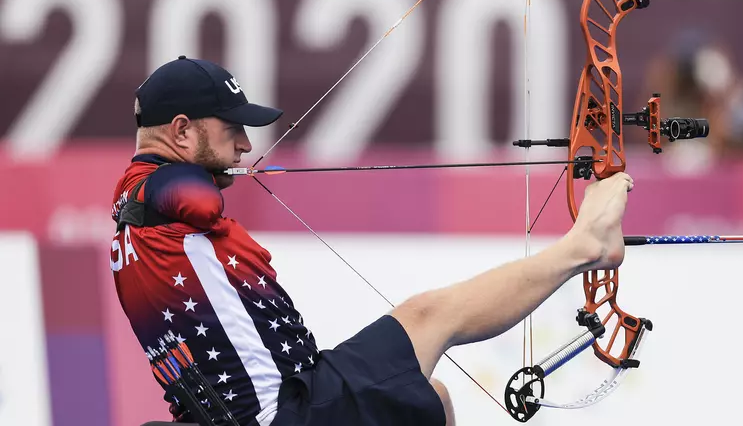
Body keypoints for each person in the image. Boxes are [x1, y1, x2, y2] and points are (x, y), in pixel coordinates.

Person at [111, 56, 634, 426]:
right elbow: (195, 200)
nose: (246, 145)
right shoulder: (154, 189)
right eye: (231, 131)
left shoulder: (138, 214)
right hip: (283, 414)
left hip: (295, 398)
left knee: (429, 400)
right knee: (429, 316)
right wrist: (206, 177)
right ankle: (586, 245)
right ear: (180, 132)